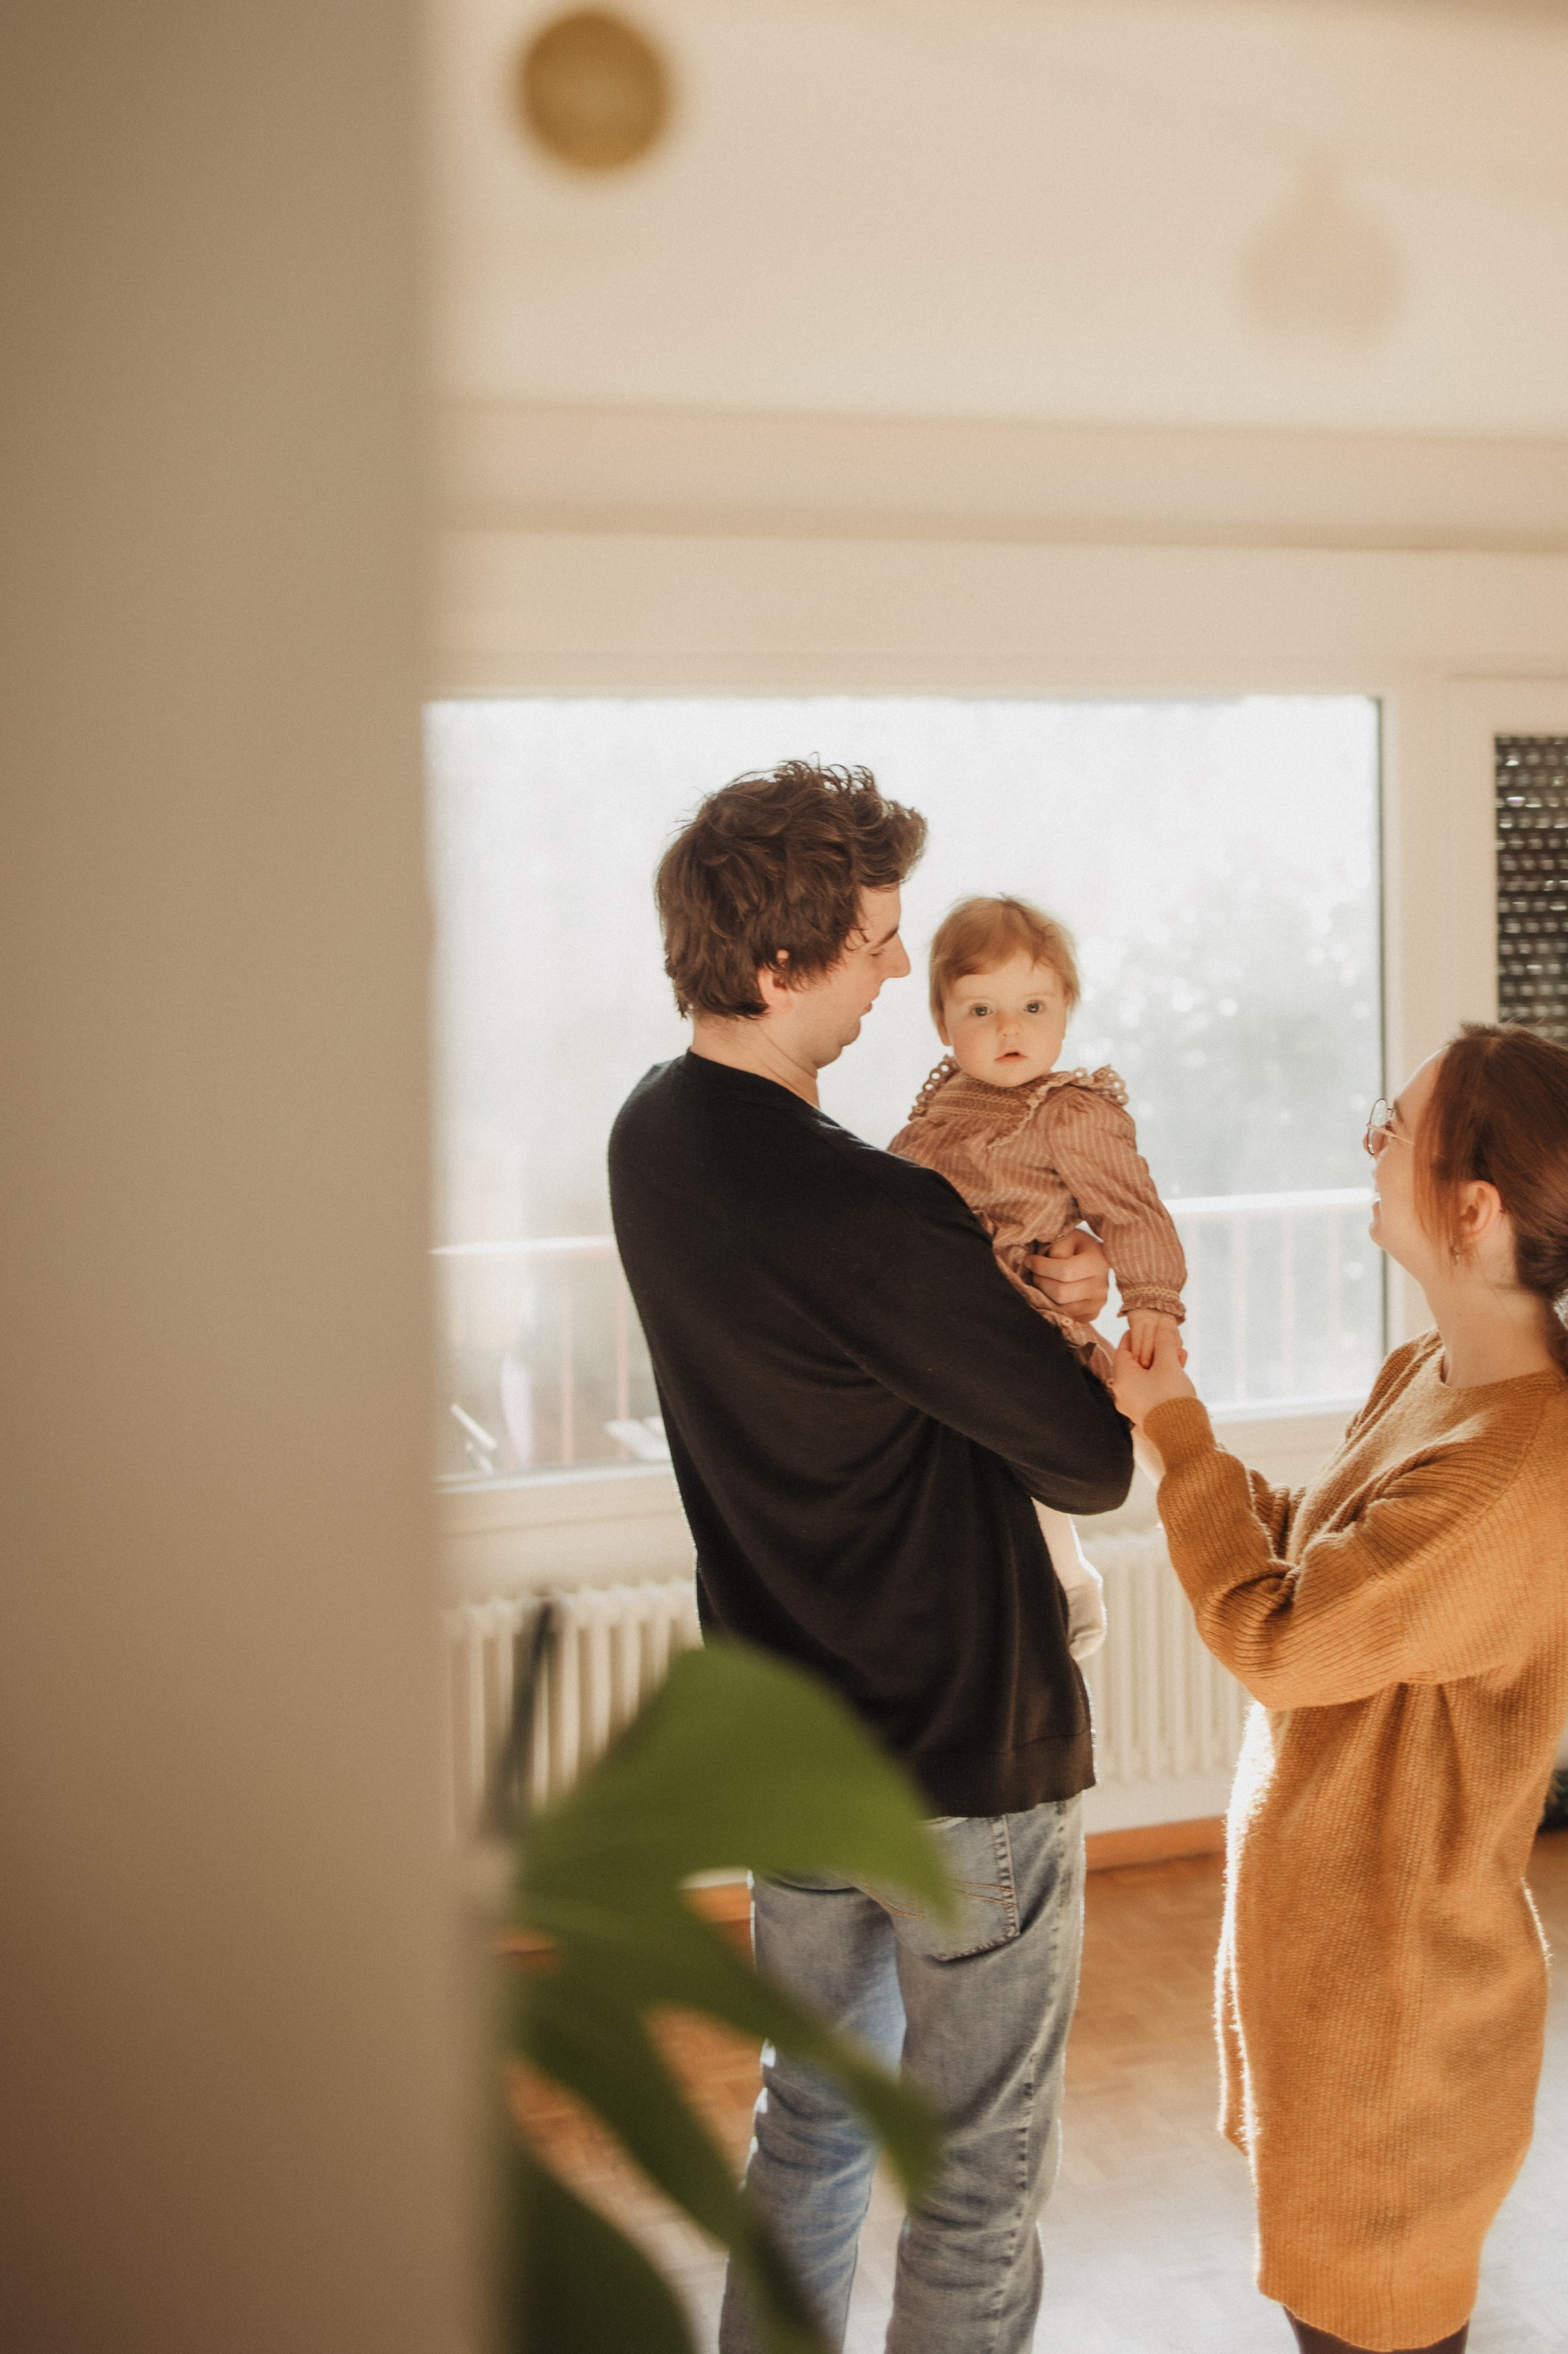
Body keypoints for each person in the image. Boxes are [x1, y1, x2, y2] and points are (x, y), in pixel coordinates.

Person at [606, 761, 1134, 2354]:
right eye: (876, 942)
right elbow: (1089, 1458)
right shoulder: (873, 1209)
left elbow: (839, 1375)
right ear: (782, 967)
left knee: (809, 2128)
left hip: (792, 1752)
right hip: (959, 1759)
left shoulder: (650, 1138)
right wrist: (1075, 1314)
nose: (903, 971)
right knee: (975, 2184)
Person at [1106, 1024, 1568, 2354]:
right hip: (1344, 1994)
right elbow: (1321, 1557)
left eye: (1393, 1126)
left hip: (1398, 2032)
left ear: (1474, 1208)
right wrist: (1166, 1421)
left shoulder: (1514, 1470)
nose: (1370, 1142)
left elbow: (1280, 1634)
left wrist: (1178, 1437)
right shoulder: (1431, 1381)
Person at [889, 892, 1187, 1664]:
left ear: (1065, 1010)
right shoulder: (935, 1113)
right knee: (977, 1472)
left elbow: (1130, 1210)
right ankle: (1047, 1581)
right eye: (980, 1010)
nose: (1009, 1029)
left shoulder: (1067, 1111)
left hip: (1018, 1315)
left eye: (1032, 1006)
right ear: (943, 1023)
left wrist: (1152, 1301)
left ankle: (1081, 1573)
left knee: (1078, 1442)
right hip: (944, 1325)